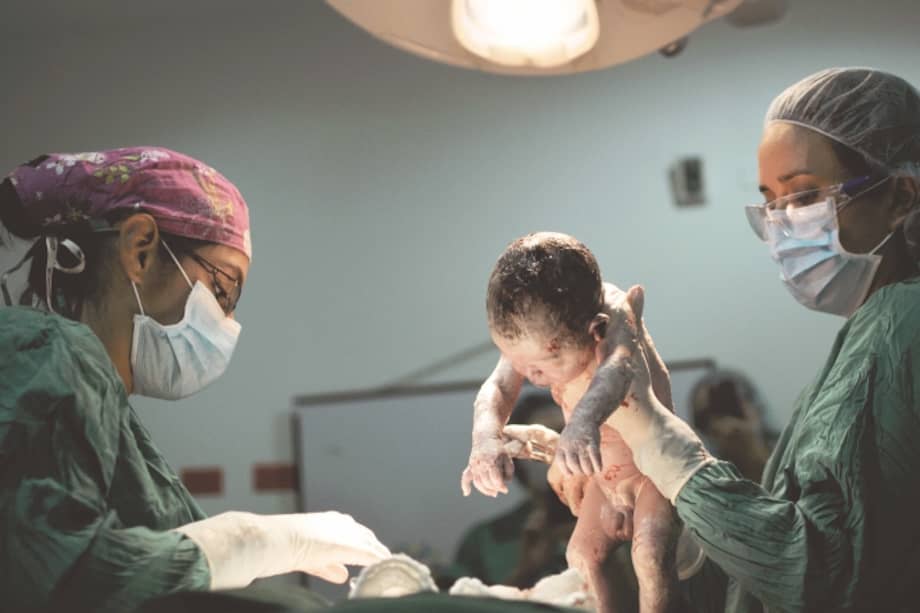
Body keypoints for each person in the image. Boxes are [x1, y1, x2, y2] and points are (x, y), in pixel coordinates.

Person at [534, 67, 920, 612]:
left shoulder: (905, 320)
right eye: (770, 202)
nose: (784, 223)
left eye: (806, 195)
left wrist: (666, 448)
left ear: (901, 196)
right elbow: (795, 548)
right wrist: (691, 534)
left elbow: (823, 577)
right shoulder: (867, 333)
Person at [0, 147, 390, 613]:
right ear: (140, 249)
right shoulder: (53, 351)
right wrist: (251, 541)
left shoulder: (101, 409)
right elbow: (68, 579)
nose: (226, 322)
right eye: (224, 290)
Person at [461, 232, 688, 613]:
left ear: (592, 331)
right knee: (582, 556)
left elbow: (617, 370)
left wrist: (582, 423)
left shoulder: (614, 314)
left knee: (650, 554)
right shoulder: (533, 336)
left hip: (654, 468)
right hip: (603, 477)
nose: (531, 376)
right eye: (522, 364)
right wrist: (485, 439)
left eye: (543, 366)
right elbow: (498, 386)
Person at [440, 391, 576, 590]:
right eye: (537, 442)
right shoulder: (487, 540)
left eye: (566, 434)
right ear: (517, 458)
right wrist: (525, 571)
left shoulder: (620, 521)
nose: (555, 448)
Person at [689, 370, 776, 482]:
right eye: (707, 418)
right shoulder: (704, 478)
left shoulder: (790, 455)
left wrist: (757, 454)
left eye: (731, 406)